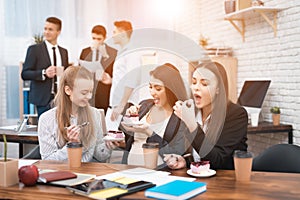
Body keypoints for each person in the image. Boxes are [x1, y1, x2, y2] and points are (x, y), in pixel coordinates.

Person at [164, 62, 248, 170]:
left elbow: (217, 161)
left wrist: (192, 125)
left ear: (218, 89)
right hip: (197, 180)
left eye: (204, 84)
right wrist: (186, 161)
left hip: (226, 181)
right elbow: (197, 154)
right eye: (194, 82)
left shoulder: (236, 114)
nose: (196, 88)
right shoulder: (192, 111)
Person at [38, 66, 114, 162]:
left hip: (89, 173)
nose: (89, 97)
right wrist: (72, 145)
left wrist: (109, 146)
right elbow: (48, 161)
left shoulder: (95, 114)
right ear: (68, 90)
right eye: (84, 93)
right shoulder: (47, 119)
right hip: (62, 173)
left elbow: (100, 156)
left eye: (91, 92)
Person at [120, 63, 188, 167]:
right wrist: (129, 117)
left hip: (160, 173)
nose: (152, 92)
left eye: (158, 88)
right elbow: (127, 137)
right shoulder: (144, 105)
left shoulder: (181, 116)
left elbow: (177, 152)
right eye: (150, 87)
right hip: (130, 170)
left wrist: (149, 132)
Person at [21, 17, 69, 118]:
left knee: (61, 130)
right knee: (45, 131)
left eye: (50, 29)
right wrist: (43, 73)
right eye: (45, 29)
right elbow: (24, 74)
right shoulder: (34, 50)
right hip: (43, 99)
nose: (46, 32)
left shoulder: (64, 52)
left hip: (61, 99)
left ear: (58, 31)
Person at [107, 20, 143, 121]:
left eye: (115, 32)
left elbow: (132, 80)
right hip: (118, 104)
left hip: (125, 106)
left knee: (121, 135)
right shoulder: (122, 52)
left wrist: (121, 106)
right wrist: (110, 80)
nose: (112, 35)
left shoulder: (132, 52)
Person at [79, 25, 117, 113]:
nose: (96, 41)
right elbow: (80, 72)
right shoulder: (85, 51)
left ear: (105, 38)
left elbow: (114, 73)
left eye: (99, 39)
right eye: (94, 38)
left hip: (104, 93)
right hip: (88, 92)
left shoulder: (112, 52)